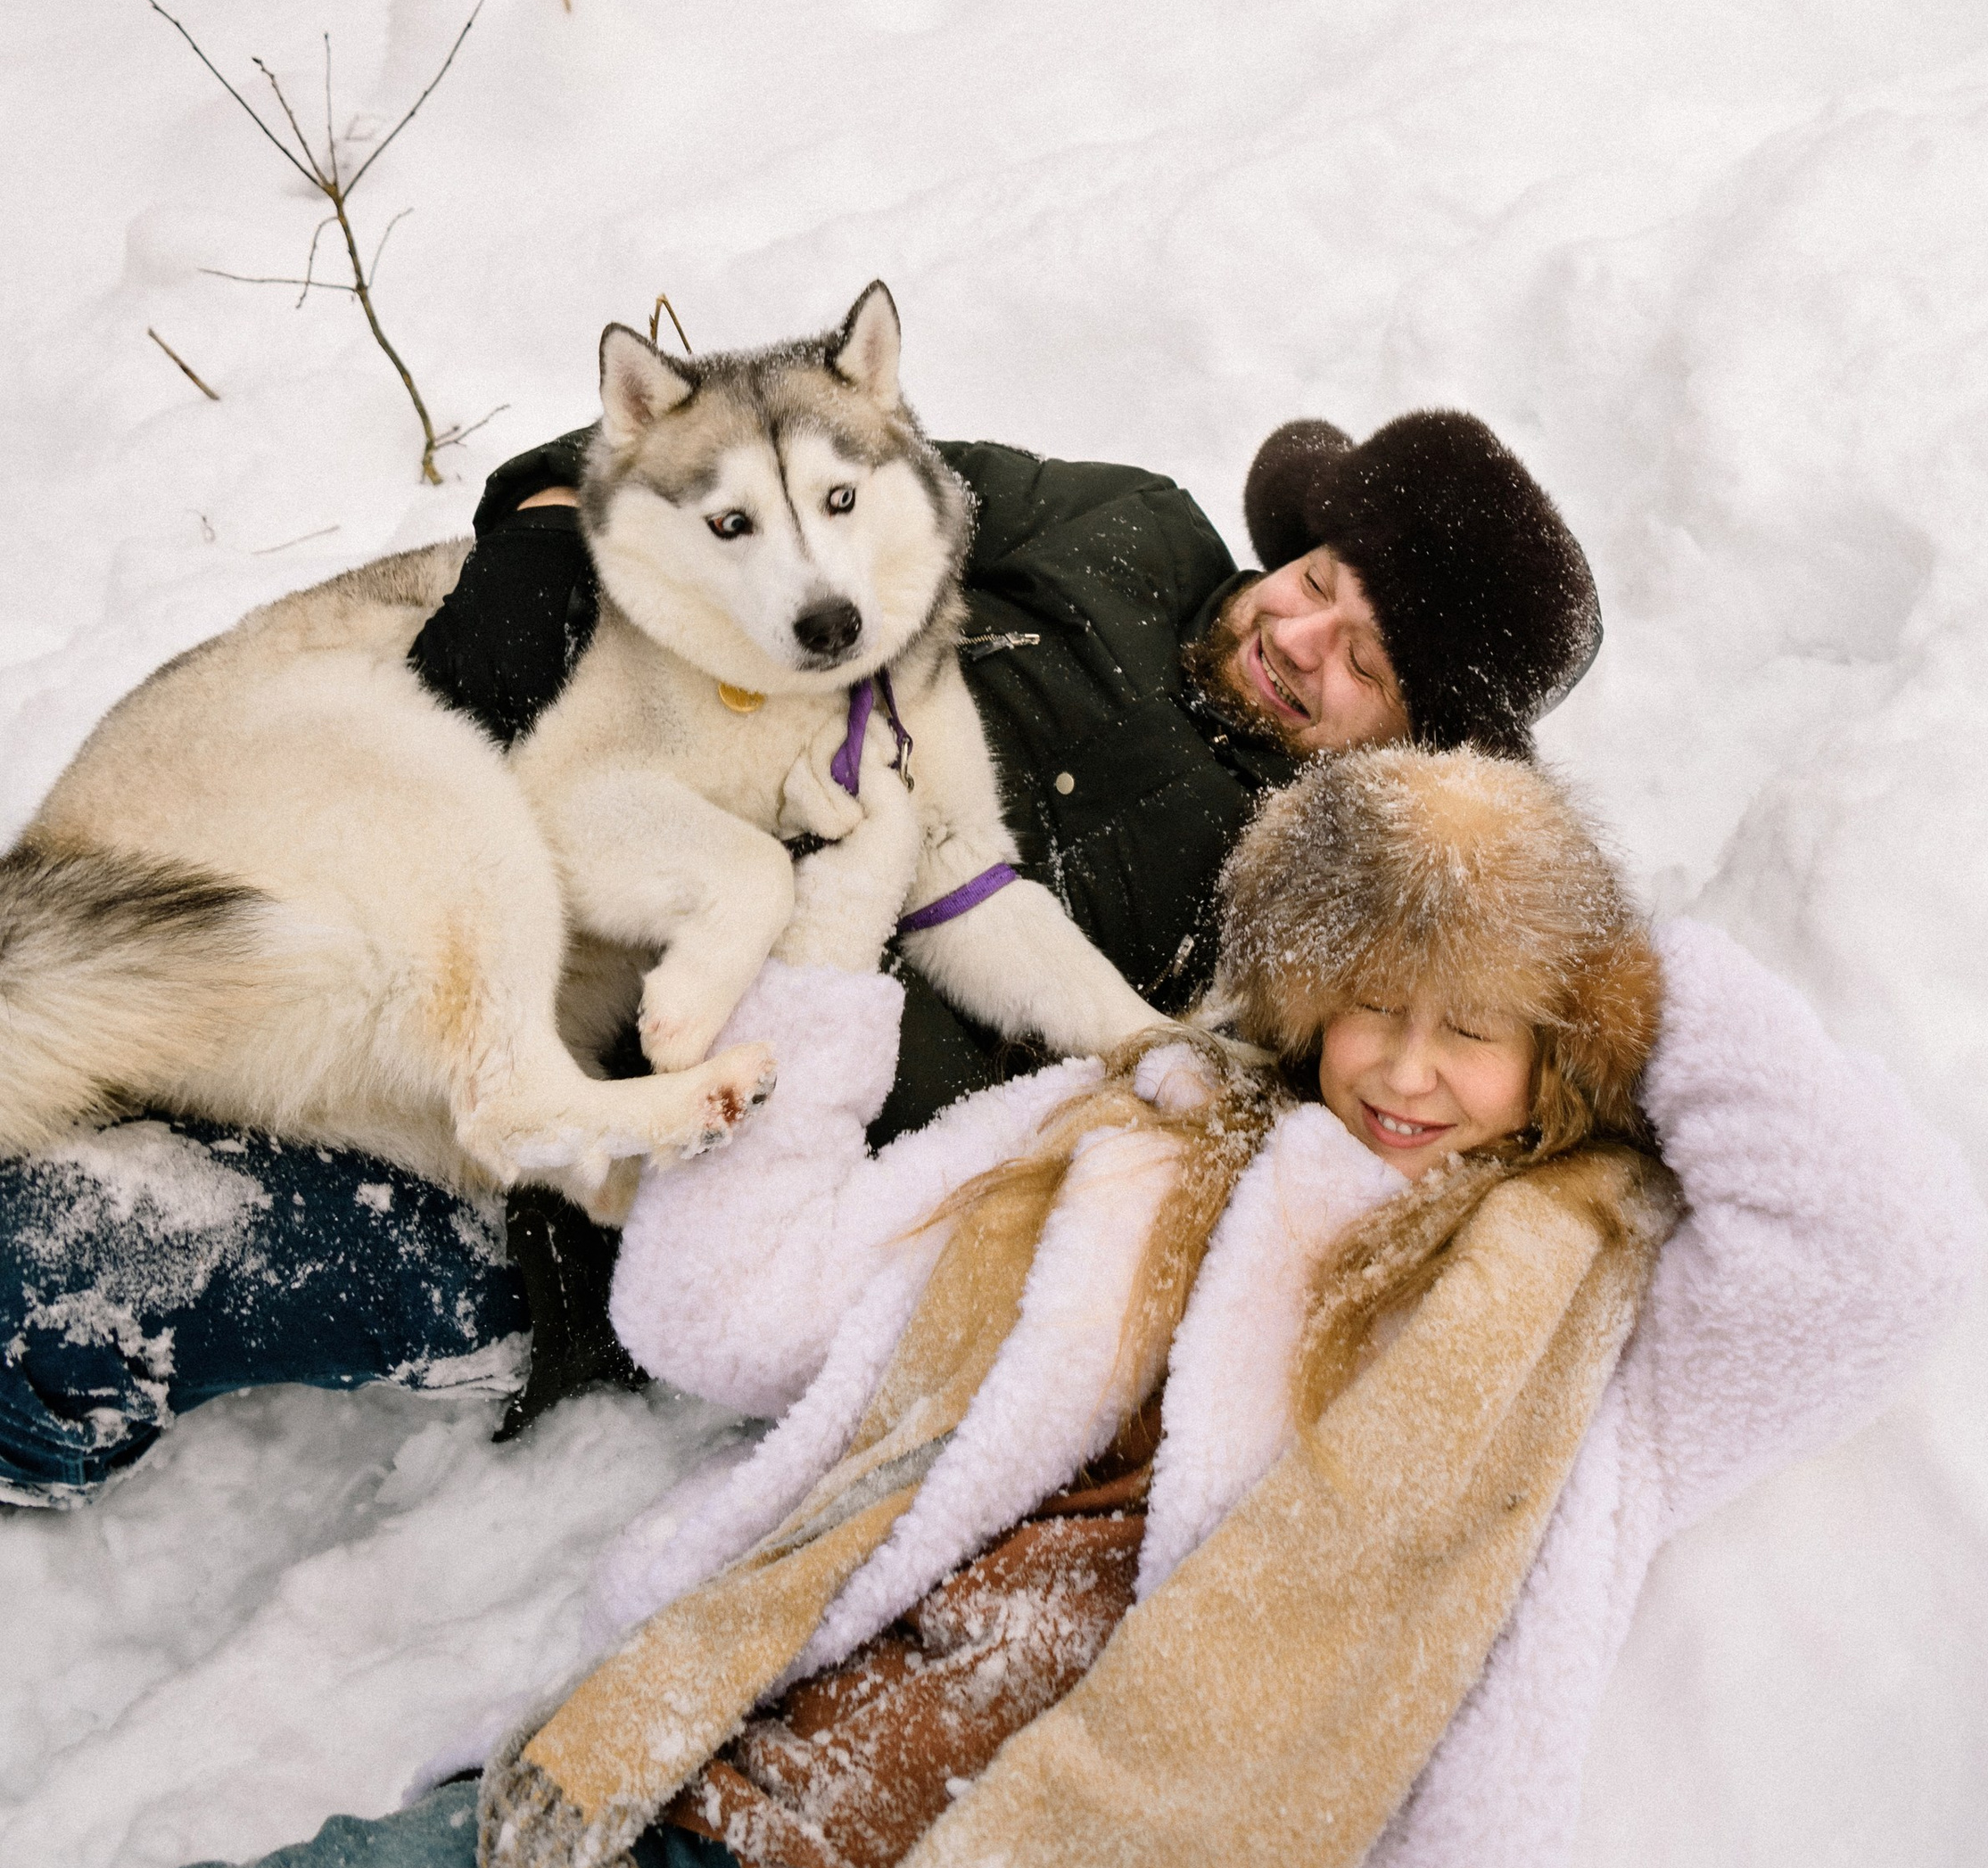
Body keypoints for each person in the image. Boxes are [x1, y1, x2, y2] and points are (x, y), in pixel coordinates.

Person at [0, 745, 1985, 1868]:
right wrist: (816, 999)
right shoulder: (1108, 1139)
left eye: (1479, 1023)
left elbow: (1880, 1246)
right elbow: (714, 1310)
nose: (1406, 1069)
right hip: (679, 1835)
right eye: (1368, 1002)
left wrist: (1595, 934)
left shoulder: (1594, 1323)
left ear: (1568, 1040)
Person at [0, 401, 1604, 1499]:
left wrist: (845, 938)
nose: (1295, 637)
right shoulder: (1127, 528)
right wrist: (549, 538)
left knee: (70, 1268)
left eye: (1363, 664)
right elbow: (770, 466)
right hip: (485, 857)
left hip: (604, 1190)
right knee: (111, 969)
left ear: (1406, 740)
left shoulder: (1291, 911)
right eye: (1319, 584)